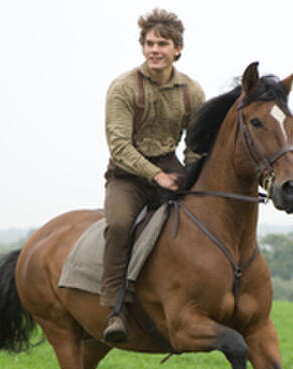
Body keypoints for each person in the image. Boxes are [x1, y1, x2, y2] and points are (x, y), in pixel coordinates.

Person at [100, 9, 205, 343]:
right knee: (118, 225)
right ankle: (114, 309)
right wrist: (156, 176)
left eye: (162, 43)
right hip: (127, 176)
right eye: (149, 43)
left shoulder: (192, 91)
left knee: (201, 216)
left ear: (178, 49)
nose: (154, 50)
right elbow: (119, 146)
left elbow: (196, 143)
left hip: (169, 166)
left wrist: (190, 172)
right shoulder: (123, 88)